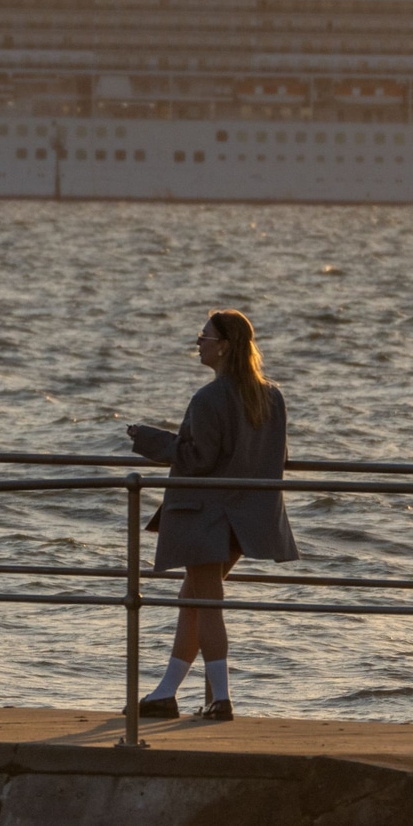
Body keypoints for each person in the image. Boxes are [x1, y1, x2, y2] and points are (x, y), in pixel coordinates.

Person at [125, 309, 294, 722]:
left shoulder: (209, 398)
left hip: (205, 516)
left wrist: (150, 440)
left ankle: (221, 698)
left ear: (224, 346)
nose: (198, 343)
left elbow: (196, 459)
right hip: (248, 517)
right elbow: (278, 457)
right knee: (193, 600)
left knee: (206, 601)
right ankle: (166, 693)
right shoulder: (271, 396)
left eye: (204, 337)